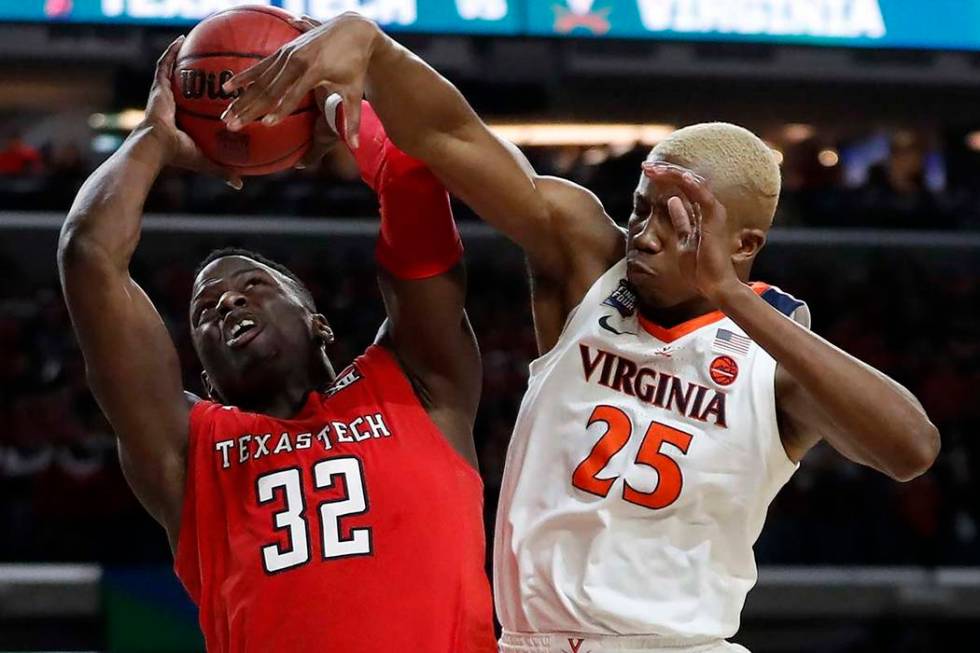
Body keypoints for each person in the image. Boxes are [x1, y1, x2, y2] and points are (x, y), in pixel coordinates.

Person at [221, 14, 941, 653]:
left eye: (676, 221)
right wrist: (375, 52)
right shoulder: (585, 262)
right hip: (526, 639)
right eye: (642, 205)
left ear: (744, 241)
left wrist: (725, 292)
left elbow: (911, 449)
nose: (644, 234)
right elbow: (449, 136)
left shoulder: (776, 357)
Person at [58, 36, 495, 653]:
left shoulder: (418, 382)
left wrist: (342, 104)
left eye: (254, 286)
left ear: (318, 322)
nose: (229, 302)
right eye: (205, 310)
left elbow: (411, 181)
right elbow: (88, 255)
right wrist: (153, 138)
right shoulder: (191, 451)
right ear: (207, 379)